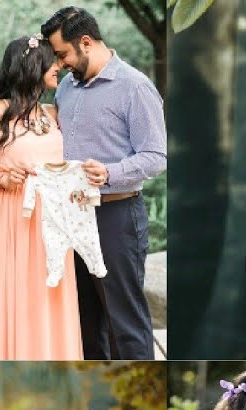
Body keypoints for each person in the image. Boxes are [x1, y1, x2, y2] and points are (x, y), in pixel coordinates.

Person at [43, 6, 167, 360]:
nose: (61, 62)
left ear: (85, 42)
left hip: (115, 217)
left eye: (63, 53)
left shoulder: (135, 87)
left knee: (123, 322)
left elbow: (156, 156)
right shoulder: (67, 87)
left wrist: (111, 173)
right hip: (71, 217)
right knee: (83, 321)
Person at [0, 35, 82, 360]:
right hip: (7, 215)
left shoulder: (48, 113)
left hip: (50, 218)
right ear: (33, 66)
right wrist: (1, 178)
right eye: (52, 60)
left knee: (45, 294)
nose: (59, 66)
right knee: (10, 292)